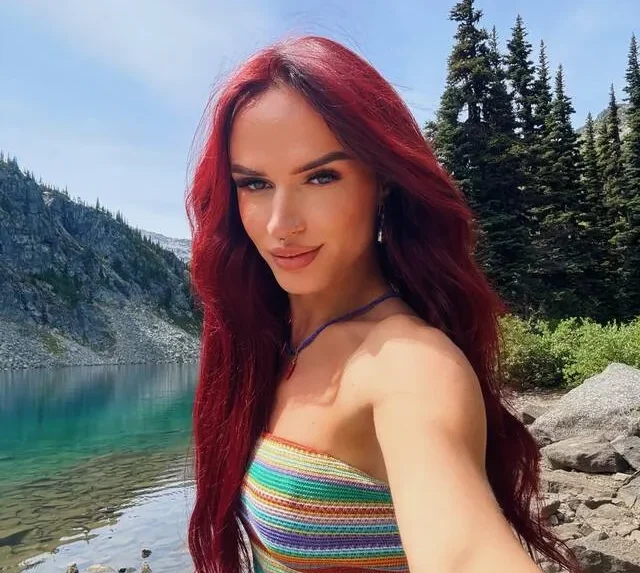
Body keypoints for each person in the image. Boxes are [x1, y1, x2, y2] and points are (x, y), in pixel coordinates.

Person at [185, 35, 582, 573]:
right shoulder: (272, 340)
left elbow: (465, 553)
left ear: (385, 184)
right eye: (255, 184)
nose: (281, 224)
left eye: (321, 176)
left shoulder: (408, 364)